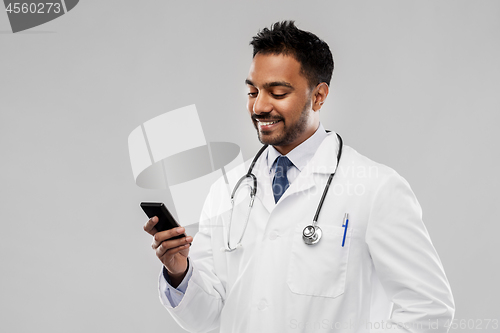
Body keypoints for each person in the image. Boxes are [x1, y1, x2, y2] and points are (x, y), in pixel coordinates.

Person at [143, 21, 455, 332]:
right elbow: (206, 318)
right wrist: (179, 271)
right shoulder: (227, 189)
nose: (260, 106)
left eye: (277, 92)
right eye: (252, 92)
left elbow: (429, 309)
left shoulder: (376, 189)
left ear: (318, 96)